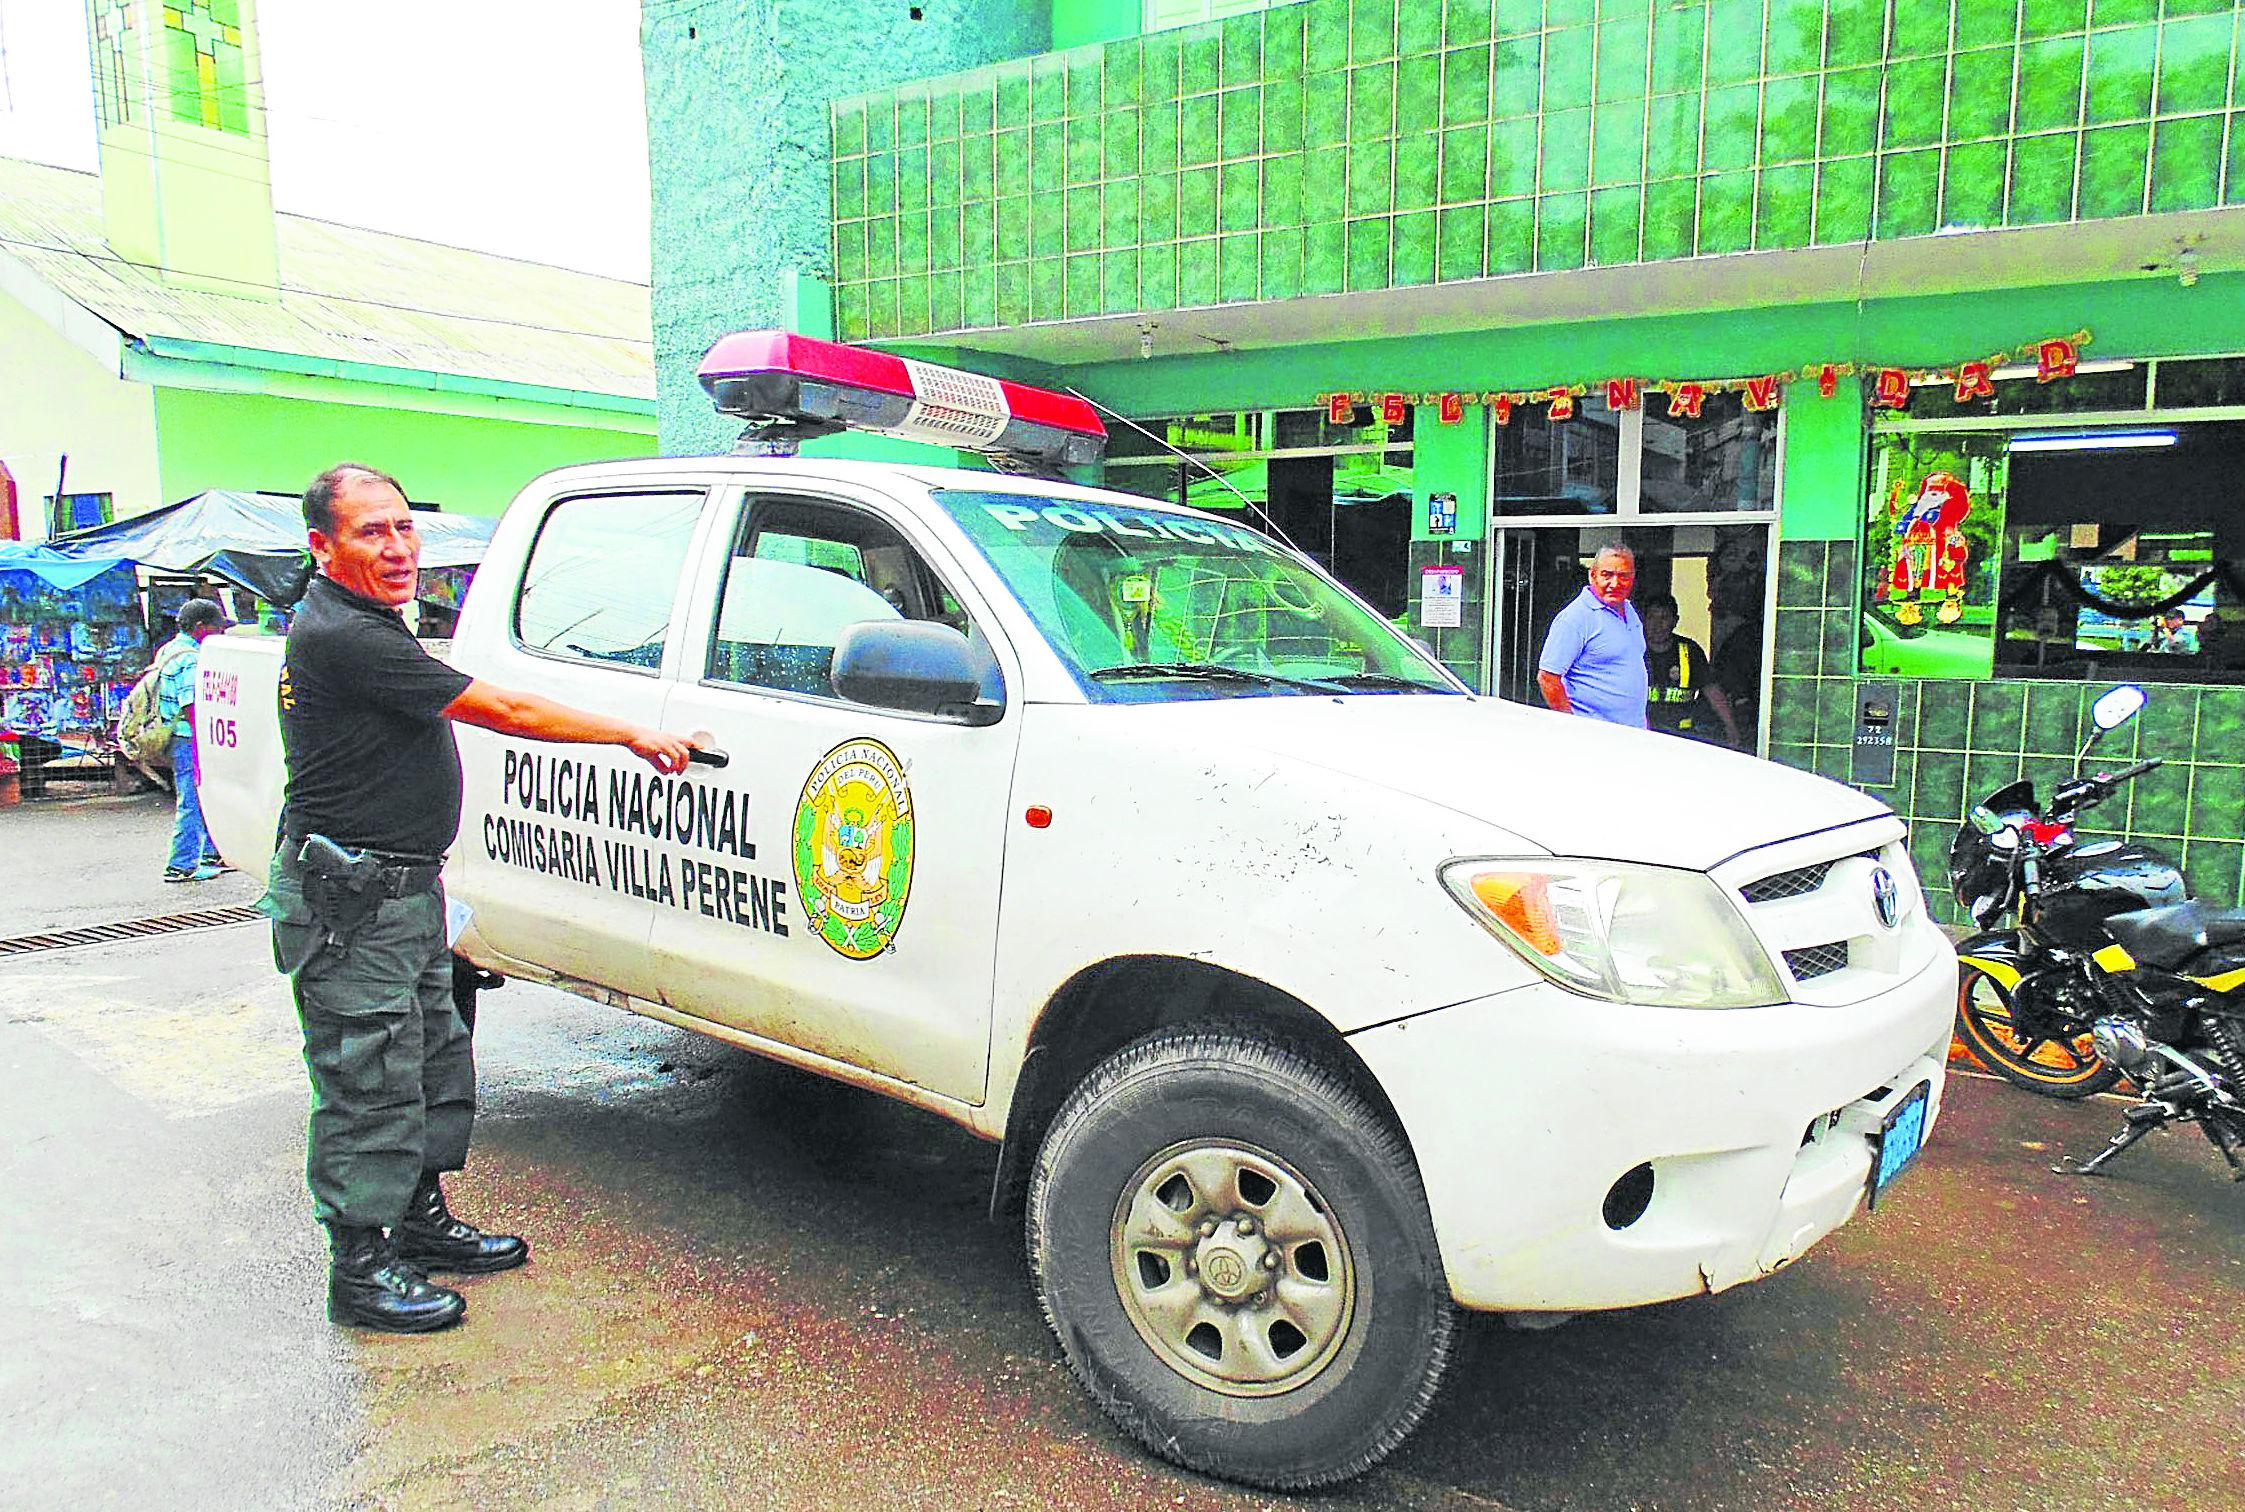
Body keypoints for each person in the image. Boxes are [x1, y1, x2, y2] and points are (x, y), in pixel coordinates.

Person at [267, 462, 698, 1335]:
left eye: (403, 527)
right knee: (367, 1076)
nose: (398, 548)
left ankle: (416, 1222)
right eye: (371, 533)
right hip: (352, 903)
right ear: (322, 547)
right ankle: (359, 1264)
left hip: (399, 892)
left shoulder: (367, 622)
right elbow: (503, 707)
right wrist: (631, 731)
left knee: (425, 1057)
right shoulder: (342, 636)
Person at [156, 597, 231, 882]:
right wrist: (207, 744)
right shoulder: (190, 658)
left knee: (203, 796)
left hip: (176, 736)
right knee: (193, 800)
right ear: (200, 627)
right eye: (216, 628)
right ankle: (181, 864)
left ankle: (211, 853)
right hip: (189, 738)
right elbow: (192, 705)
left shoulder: (169, 650)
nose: (220, 634)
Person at [1537, 542, 1647, 728]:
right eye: (1607, 575)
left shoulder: (1630, 611)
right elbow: (1548, 678)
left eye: (1623, 576)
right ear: (1592, 575)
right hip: (1595, 737)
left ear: (1633, 577)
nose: (1615, 583)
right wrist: (1574, 728)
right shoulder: (1576, 617)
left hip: (1633, 734)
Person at [1641, 592, 1742, 746]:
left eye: (1664, 618)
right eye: (1651, 618)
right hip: (1641, 734)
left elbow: (1711, 689)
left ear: (1675, 621)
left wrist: (1730, 727)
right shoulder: (1633, 649)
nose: (1657, 625)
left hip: (1682, 737)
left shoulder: (1690, 651)